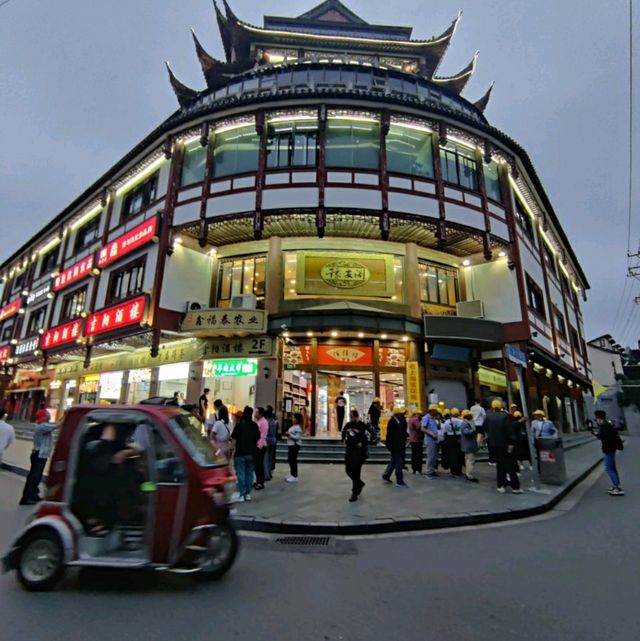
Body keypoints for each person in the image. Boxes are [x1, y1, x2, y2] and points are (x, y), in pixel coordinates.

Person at [484, 399, 522, 494]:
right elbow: (509, 430)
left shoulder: (488, 417)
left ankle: (501, 485)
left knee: (500, 466)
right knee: (511, 465)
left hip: (495, 445)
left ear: (492, 407)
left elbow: (485, 429)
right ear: (500, 407)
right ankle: (515, 487)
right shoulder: (506, 416)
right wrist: (512, 442)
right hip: (506, 444)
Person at [19, 412, 57, 505]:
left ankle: (34, 494)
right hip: (38, 455)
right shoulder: (41, 426)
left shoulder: (44, 425)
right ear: (43, 417)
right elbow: (56, 426)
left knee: (37, 476)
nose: (49, 416)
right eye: (47, 415)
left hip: (41, 455)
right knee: (34, 477)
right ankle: (26, 497)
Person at [230, 407, 260, 502]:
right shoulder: (254, 425)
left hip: (240, 452)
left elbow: (234, 440)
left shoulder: (239, 426)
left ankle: (242, 493)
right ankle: (248, 493)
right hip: (251, 452)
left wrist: (232, 450)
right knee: (250, 473)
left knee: (241, 473)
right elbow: (257, 438)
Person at [592, 410, 624, 496]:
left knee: (608, 468)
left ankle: (617, 487)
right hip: (611, 448)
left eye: (596, 417)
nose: (595, 419)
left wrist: (596, 434)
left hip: (609, 449)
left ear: (599, 417)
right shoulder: (607, 425)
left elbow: (603, 436)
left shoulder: (604, 425)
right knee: (612, 467)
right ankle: (616, 485)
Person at [342, 409, 368, 502]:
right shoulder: (348, 425)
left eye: (352, 417)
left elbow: (369, 436)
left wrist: (362, 443)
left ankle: (355, 493)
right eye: (350, 416)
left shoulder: (362, 426)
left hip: (359, 452)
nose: (351, 418)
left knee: (356, 471)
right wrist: (344, 439)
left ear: (356, 416)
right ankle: (359, 483)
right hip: (349, 451)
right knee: (348, 470)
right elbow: (344, 433)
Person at [382, 407, 408, 487]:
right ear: (397, 414)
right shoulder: (392, 422)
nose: (402, 415)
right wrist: (389, 446)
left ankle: (386, 475)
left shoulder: (399, 421)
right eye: (400, 413)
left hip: (399, 445)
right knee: (399, 463)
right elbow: (389, 435)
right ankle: (399, 480)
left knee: (393, 461)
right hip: (395, 446)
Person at [421, 404, 440, 479]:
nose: (437, 412)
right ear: (432, 411)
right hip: (430, 440)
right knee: (430, 456)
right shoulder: (426, 418)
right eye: (436, 411)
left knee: (434, 456)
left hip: (435, 440)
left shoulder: (433, 418)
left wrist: (438, 420)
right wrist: (431, 434)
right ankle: (428, 473)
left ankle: (432, 471)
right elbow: (423, 429)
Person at [443, 408, 464, 477]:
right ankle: (459, 471)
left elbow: (444, 431)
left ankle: (453, 471)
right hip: (459, 438)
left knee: (452, 455)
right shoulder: (461, 421)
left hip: (450, 439)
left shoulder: (447, 422)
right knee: (459, 455)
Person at [460, 409, 479, 482]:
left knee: (468, 460)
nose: (472, 416)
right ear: (467, 416)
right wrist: (473, 430)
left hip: (468, 445)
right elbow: (466, 432)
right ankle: (470, 475)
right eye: (470, 415)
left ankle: (468, 474)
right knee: (470, 460)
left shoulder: (466, 423)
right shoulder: (465, 423)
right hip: (468, 445)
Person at [253, 407, 269, 490]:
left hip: (261, 446)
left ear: (260, 414)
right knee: (256, 465)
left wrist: (259, 446)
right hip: (256, 445)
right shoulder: (258, 421)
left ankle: (261, 482)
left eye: (256, 412)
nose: (255, 414)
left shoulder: (264, 422)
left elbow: (263, 436)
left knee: (259, 465)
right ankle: (258, 480)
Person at [285, 412, 304, 483]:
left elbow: (297, 437)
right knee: (290, 460)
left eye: (294, 418)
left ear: (297, 419)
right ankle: (292, 473)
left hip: (294, 446)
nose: (292, 419)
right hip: (291, 445)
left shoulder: (298, 428)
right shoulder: (294, 426)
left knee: (292, 460)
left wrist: (289, 435)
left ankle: (294, 475)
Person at [265, 406, 279, 481]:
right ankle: (270, 473)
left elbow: (266, 432)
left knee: (266, 458)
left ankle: (266, 474)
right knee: (271, 458)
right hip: (273, 440)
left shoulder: (266, 422)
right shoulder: (275, 421)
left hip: (267, 440)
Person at [408, 410, 424, 474]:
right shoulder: (415, 419)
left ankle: (414, 469)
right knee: (418, 455)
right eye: (419, 414)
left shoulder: (410, 419)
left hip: (412, 439)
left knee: (414, 455)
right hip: (417, 439)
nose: (420, 415)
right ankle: (418, 469)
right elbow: (419, 428)